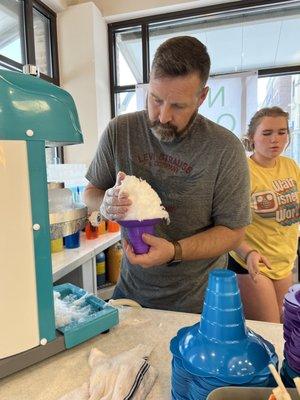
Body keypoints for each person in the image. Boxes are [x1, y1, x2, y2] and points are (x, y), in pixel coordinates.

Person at [84, 36, 251, 313]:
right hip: (130, 297)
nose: (162, 116)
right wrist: (105, 203)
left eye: (178, 106)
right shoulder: (120, 131)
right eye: (156, 99)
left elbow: (233, 232)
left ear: (201, 97)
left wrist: (174, 251)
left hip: (200, 306)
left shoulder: (225, 148)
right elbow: (91, 193)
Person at [228, 106, 299, 323]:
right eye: (267, 133)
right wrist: (248, 253)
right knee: (269, 329)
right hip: (250, 259)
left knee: (284, 327)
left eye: (281, 132)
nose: (275, 139)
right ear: (252, 138)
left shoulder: (290, 165)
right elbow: (226, 225)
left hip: (283, 259)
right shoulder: (242, 171)